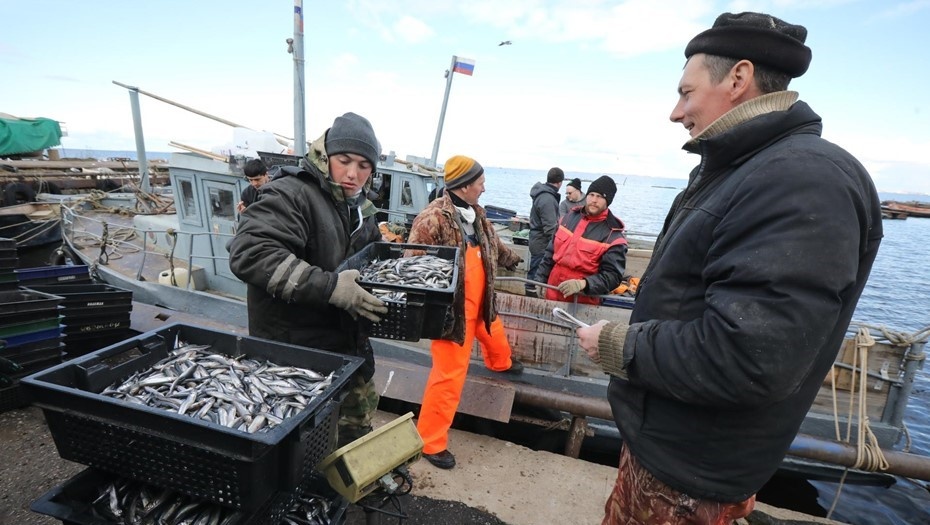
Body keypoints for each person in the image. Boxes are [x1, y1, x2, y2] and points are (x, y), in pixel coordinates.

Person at [576, 12, 883, 524]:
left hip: (692, 473)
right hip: (668, 447)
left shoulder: (800, 180)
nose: (677, 112)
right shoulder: (742, 170)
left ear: (737, 79)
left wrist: (618, 345)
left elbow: (749, 356)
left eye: (686, 91)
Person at [228, 112, 389, 447]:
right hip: (295, 358)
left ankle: (347, 487)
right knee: (303, 448)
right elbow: (250, 253)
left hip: (348, 349)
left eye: (363, 165)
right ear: (325, 155)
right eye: (344, 160)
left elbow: (372, 258)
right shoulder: (291, 193)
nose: (352, 173)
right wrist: (332, 288)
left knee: (354, 433)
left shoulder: (360, 208)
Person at [405, 154, 524, 470]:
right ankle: (430, 442)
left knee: (493, 332)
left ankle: (501, 363)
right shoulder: (431, 220)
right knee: (448, 379)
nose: (484, 188)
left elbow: (493, 244)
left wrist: (513, 260)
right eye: (481, 182)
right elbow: (412, 266)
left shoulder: (476, 214)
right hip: (452, 314)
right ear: (465, 185)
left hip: (482, 300)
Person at [537, 175, 627, 305]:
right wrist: (540, 279)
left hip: (582, 302)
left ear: (608, 201)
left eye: (600, 197)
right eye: (591, 194)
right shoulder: (567, 218)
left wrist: (584, 284)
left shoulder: (614, 238)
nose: (594, 200)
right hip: (552, 292)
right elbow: (550, 253)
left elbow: (613, 277)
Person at [525, 167, 564, 297]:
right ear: (560, 182)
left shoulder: (544, 195)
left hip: (537, 239)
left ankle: (532, 293)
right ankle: (531, 297)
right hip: (542, 242)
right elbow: (550, 227)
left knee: (536, 268)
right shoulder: (547, 198)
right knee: (536, 271)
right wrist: (558, 244)